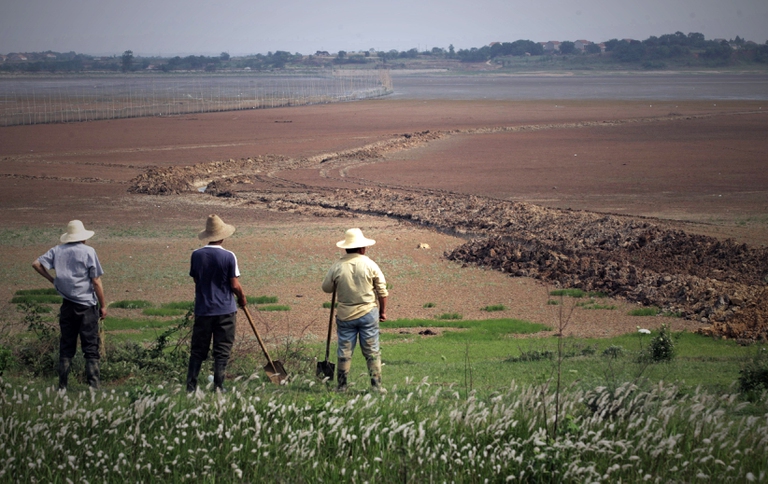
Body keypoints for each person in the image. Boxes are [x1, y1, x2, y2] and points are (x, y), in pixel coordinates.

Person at [32, 220, 107, 390]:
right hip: (87, 306)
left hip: (67, 305)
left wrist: (53, 280)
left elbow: (36, 264)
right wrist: (103, 305)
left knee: (66, 346)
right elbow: (96, 281)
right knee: (90, 347)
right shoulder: (89, 251)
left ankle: (62, 387)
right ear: (83, 237)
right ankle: (94, 388)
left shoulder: (57, 250)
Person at [322, 228, 388, 392]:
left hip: (345, 315)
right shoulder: (370, 264)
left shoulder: (337, 266)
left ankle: (342, 386)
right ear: (362, 248)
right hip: (368, 313)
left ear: (346, 247)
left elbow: (326, 289)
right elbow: (382, 291)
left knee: (344, 350)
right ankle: (377, 386)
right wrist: (383, 312)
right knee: (372, 350)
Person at [186, 214, 247, 393]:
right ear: (222, 235)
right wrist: (242, 298)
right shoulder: (229, 256)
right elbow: (234, 284)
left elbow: (196, 280)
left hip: (203, 309)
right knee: (222, 350)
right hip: (225, 310)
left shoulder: (196, 255)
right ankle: (218, 387)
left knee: (198, 350)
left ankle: (191, 387)